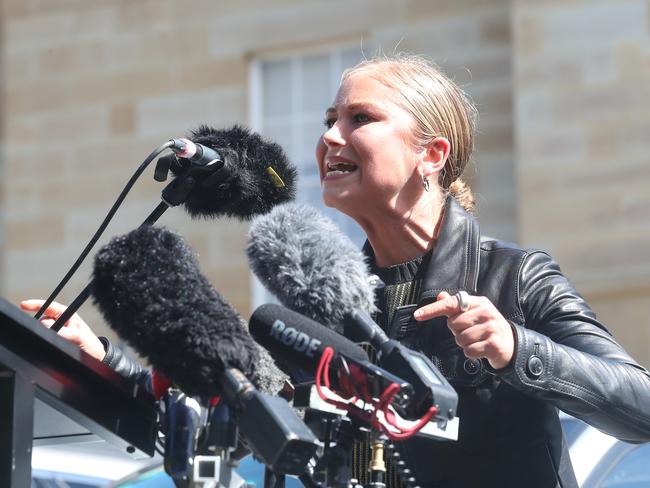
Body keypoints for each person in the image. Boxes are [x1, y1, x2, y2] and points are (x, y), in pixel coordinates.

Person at [22, 53, 650, 488]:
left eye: (360, 119)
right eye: (328, 122)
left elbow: (640, 406)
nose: (329, 139)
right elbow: (244, 407)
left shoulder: (515, 278)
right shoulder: (322, 295)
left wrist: (518, 348)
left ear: (430, 155)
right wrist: (101, 360)